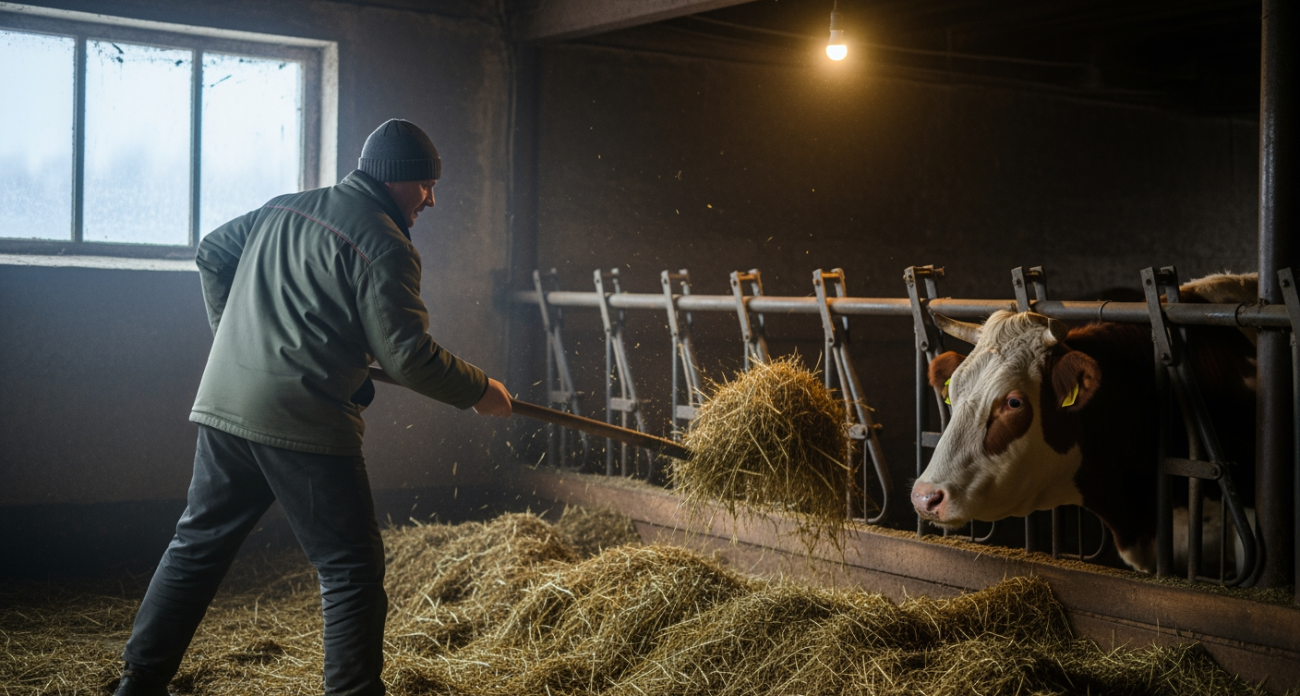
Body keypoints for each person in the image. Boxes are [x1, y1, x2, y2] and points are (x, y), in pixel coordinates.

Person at [114, 119, 512, 696]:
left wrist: (239, 341)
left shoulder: (283, 208)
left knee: (196, 546)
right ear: (397, 180)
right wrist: (481, 392)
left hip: (228, 406)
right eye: (425, 184)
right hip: (303, 421)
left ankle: (138, 683)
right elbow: (407, 357)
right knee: (350, 571)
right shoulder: (385, 244)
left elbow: (212, 252)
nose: (432, 197)